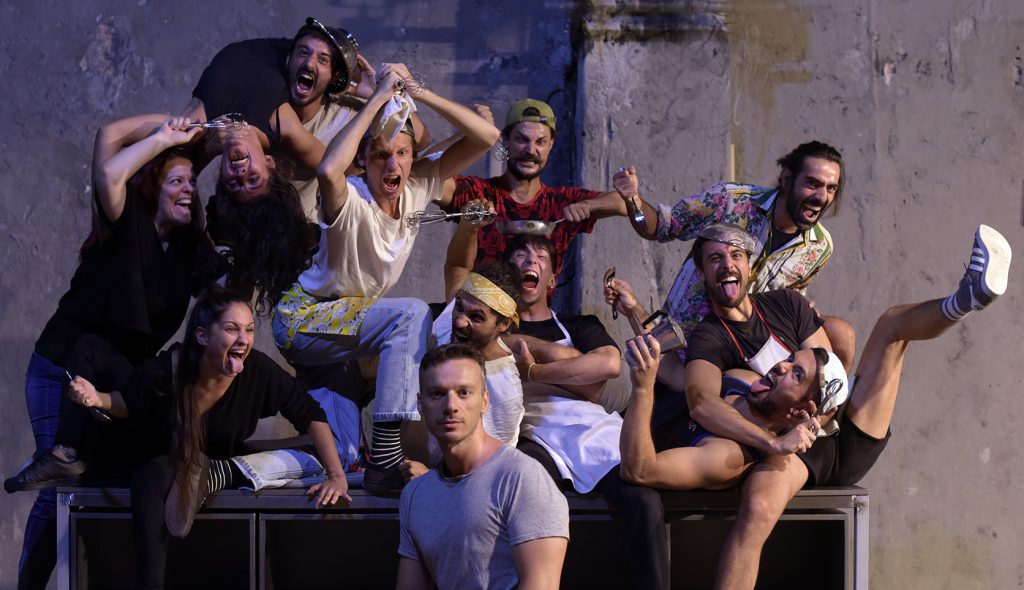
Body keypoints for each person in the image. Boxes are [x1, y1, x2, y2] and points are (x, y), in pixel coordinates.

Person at [709, 224, 1011, 590]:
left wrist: (819, 413)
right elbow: (705, 399)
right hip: (806, 448)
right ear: (703, 276)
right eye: (717, 260)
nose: (729, 268)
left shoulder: (783, 307)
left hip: (829, 416)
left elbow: (834, 349)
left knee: (891, 326)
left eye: (736, 257)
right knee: (757, 508)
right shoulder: (711, 336)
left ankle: (967, 297)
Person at [4, 116, 214, 590]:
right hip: (60, 366)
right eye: (176, 181)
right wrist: (169, 129)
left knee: (106, 478)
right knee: (58, 484)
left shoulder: (186, 252)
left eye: (192, 182)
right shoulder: (125, 222)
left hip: (116, 376)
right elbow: (108, 156)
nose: (188, 189)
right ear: (153, 188)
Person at [272, 62, 500, 494]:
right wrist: (377, 96)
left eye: (402, 153)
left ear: (413, 158)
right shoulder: (351, 199)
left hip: (343, 334)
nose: (392, 164)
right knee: (410, 315)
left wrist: (418, 90)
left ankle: (230, 469)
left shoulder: (418, 186)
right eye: (379, 155)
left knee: (341, 459)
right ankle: (388, 457)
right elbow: (328, 171)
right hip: (302, 318)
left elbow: (487, 137)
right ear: (363, 160)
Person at [63, 287, 348, 589]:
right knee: (151, 477)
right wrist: (98, 398)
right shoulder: (169, 370)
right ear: (202, 336)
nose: (244, 339)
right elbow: (128, 401)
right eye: (231, 329)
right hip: (159, 457)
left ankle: (217, 473)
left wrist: (337, 476)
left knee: (311, 451)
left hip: (217, 460)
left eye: (249, 329)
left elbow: (309, 412)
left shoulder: (257, 370)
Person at [607, 141, 855, 388]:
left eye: (831, 188)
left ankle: (828, 406)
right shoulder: (731, 200)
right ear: (786, 179)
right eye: (812, 183)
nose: (822, 197)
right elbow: (661, 226)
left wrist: (803, 307)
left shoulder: (819, 248)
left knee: (841, 334)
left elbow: (786, 302)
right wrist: (633, 201)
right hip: (680, 345)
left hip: (742, 357)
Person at [502, 235, 669, 590]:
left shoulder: (580, 326)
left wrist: (532, 370)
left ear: (552, 279)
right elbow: (587, 378)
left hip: (588, 427)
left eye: (540, 256)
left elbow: (607, 366)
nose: (530, 260)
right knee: (528, 493)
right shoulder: (497, 327)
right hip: (529, 430)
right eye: (520, 255)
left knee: (643, 500)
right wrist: (573, 368)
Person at [396, 343, 568, 590]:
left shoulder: (522, 478)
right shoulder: (416, 495)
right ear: (421, 404)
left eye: (464, 392)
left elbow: (542, 584)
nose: (451, 405)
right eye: (437, 393)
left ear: (485, 401)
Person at [441, 98, 631, 303]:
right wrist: (466, 132)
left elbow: (623, 203)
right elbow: (425, 179)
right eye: (522, 140)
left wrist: (590, 205)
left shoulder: (560, 203)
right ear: (506, 139)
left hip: (537, 319)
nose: (530, 150)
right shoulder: (478, 194)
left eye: (540, 142)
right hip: (482, 315)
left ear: (551, 144)